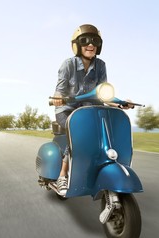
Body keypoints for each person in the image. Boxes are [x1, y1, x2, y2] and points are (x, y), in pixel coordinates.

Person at [52, 24, 133, 195]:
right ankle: (62, 175)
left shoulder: (101, 65)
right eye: (85, 41)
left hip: (90, 111)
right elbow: (59, 89)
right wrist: (58, 97)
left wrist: (121, 103)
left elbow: (103, 94)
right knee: (78, 133)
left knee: (108, 132)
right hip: (67, 110)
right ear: (77, 45)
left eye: (95, 41)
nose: (91, 45)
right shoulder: (68, 65)